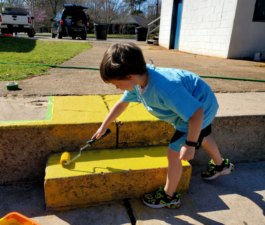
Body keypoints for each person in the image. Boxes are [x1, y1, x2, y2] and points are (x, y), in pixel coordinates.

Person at [92, 43, 234, 209]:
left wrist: (189, 145)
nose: (116, 88)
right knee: (203, 135)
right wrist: (104, 126)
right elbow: (122, 104)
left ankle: (169, 196)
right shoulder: (140, 80)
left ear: (130, 76)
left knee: (173, 154)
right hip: (200, 102)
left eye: (116, 83)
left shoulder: (164, 88)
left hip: (198, 111)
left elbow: (197, 115)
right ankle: (220, 165)